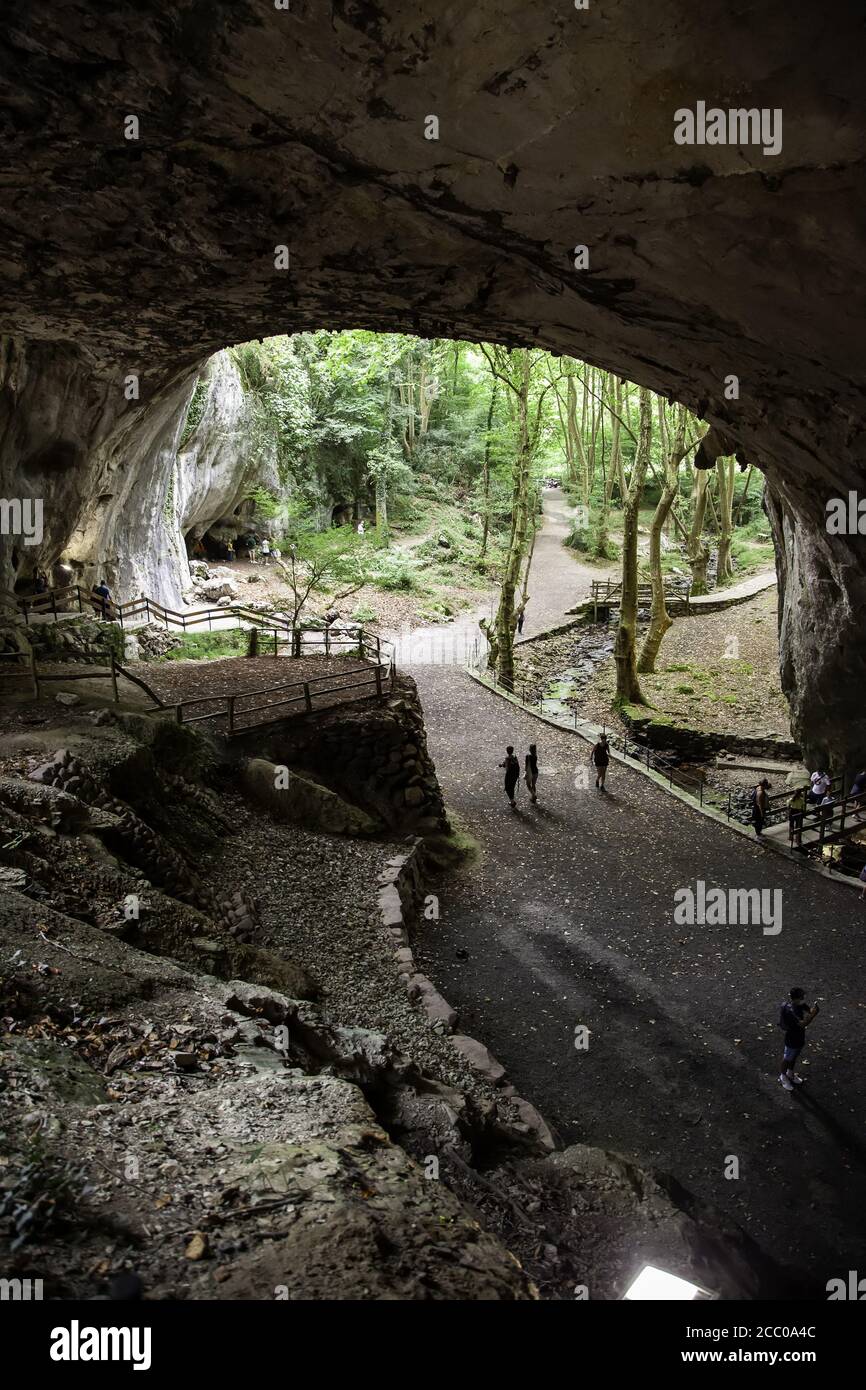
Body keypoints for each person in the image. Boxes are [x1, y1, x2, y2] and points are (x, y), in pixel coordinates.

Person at [777, 987, 820, 1091]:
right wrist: (813, 1014)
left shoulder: (799, 1004)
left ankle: (790, 1073)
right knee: (787, 1058)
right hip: (792, 1038)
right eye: (801, 997)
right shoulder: (790, 1011)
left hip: (799, 1036)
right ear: (795, 998)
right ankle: (783, 1076)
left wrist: (812, 1010)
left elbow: (808, 1009)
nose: (803, 998)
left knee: (794, 1056)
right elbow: (803, 1024)